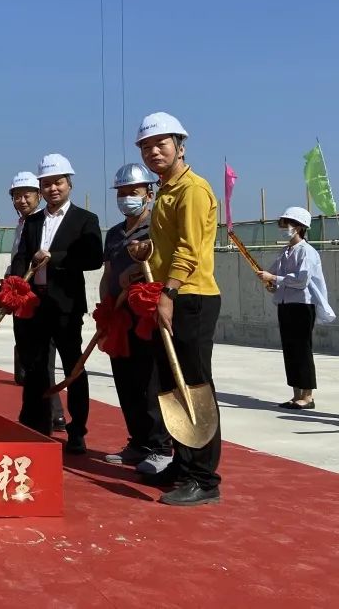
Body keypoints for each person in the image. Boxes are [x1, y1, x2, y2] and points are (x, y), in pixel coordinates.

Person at [133, 111, 222, 506]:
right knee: (171, 384)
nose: (153, 151)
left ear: (180, 146)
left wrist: (168, 293)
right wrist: (145, 253)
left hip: (190, 297)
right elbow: (169, 245)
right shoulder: (165, 191)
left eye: (161, 144)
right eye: (146, 147)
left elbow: (189, 249)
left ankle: (204, 479)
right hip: (169, 294)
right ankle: (183, 464)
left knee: (194, 386)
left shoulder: (193, 190)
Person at [11, 153, 102, 454]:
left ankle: (77, 431)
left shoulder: (85, 220)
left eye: (58, 182)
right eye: (47, 183)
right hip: (35, 306)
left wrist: (54, 258)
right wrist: (15, 284)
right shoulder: (32, 221)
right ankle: (37, 426)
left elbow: (93, 257)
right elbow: (22, 256)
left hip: (66, 306)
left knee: (73, 368)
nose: (53, 188)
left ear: (69, 184)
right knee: (36, 369)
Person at [99, 163, 172, 475]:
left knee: (149, 380)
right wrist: (105, 308)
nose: (127, 197)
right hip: (119, 316)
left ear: (149, 194)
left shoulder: (157, 227)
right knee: (125, 379)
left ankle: (160, 446)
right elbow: (108, 274)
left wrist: (136, 271)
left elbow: (164, 263)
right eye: (122, 193)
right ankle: (138, 441)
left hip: (146, 315)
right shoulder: (115, 234)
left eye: (134, 192)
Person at [258, 206, 335, 409]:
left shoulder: (307, 252)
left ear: (299, 227)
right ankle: (296, 394)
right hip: (286, 304)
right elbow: (275, 276)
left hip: (302, 305)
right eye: (282, 224)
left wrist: (273, 278)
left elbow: (300, 280)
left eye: (287, 224)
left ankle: (307, 396)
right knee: (290, 349)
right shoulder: (285, 251)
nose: (283, 228)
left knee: (302, 349)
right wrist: (271, 283)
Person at [8, 171, 64, 426]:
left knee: (43, 360)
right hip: (20, 298)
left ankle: (53, 413)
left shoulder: (43, 223)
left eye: (26, 195)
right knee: (29, 359)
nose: (21, 200)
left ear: (38, 196)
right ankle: (41, 411)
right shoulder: (22, 224)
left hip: (41, 299)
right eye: (17, 196)